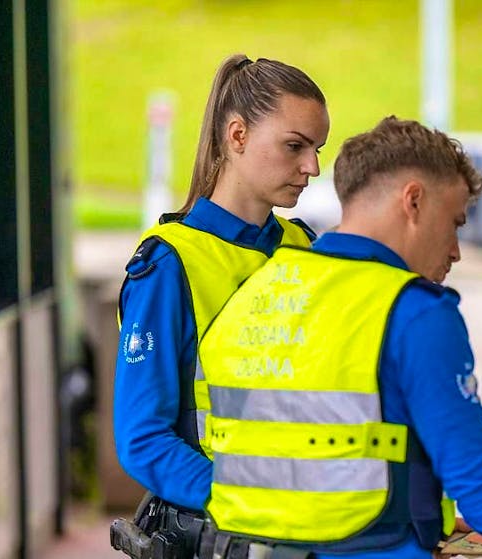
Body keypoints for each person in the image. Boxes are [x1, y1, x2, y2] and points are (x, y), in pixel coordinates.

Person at [196, 116, 482, 559]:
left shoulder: (255, 294)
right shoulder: (414, 311)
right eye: (455, 222)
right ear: (415, 201)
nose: (456, 250)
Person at [111, 54, 330, 558]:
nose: (313, 167)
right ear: (237, 136)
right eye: (295, 146)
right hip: (218, 534)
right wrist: (253, 500)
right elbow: (144, 438)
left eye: (317, 149)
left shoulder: (308, 250)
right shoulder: (170, 263)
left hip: (303, 532)